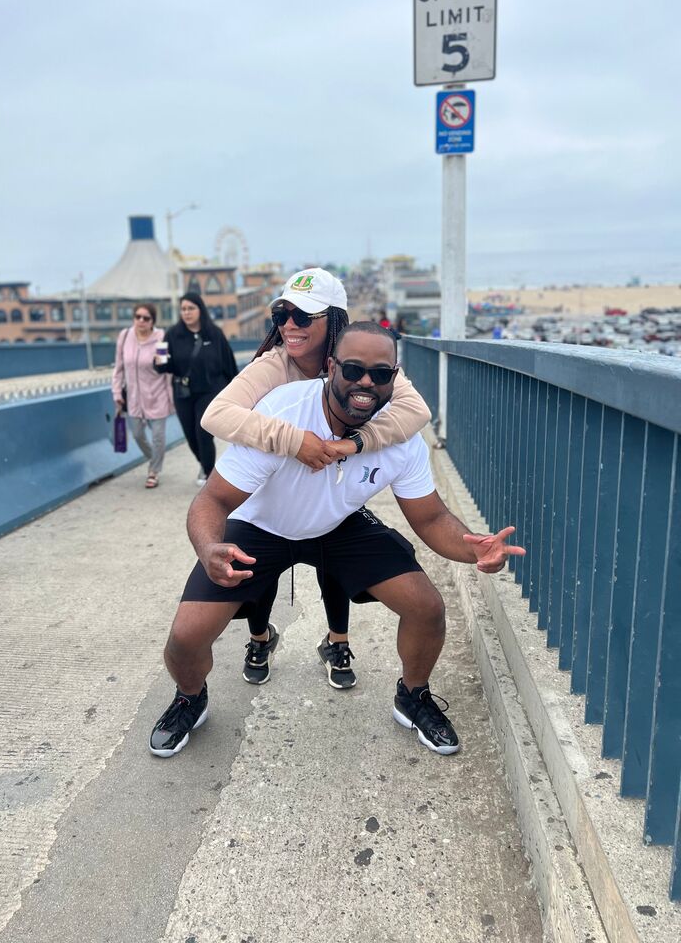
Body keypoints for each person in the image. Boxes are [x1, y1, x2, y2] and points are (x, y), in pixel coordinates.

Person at [149, 322, 524, 759]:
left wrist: (472, 547)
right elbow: (211, 501)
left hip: (338, 525)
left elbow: (432, 516)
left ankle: (413, 696)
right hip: (262, 525)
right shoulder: (281, 414)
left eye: (381, 374)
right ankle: (190, 699)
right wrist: (208, 548)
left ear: (394, 378)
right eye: (353, 369)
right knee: (185, 638)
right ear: (330, 367)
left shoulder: (399, 437)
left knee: (427, 607)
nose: (366, 381)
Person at [201, 268, 432, 690]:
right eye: (282, 314)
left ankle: (337, 640)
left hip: (331, 488)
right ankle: (259, 637)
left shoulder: (361, 364)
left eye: (304, 316)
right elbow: (215, 415)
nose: (290, 324)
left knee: (334, 557)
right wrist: (294, 440)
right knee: (257, 566)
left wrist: (356, 443)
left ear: (335, 321)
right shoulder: (273, 367)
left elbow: (415, 411)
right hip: (271, 489)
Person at [155, 292, 238, 487]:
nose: (187, 312)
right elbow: (163, 366)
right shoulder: (172, 334)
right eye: (183, 309)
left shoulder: (214, 334)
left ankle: (210, 476)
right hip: (183, 392)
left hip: (210, 390)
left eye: (191, 308)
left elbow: (229, 364)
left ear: (200, 310)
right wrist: (158, 361)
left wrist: (236, 392)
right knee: (191, 436)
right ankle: (205, 464)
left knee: (203, 432)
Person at [112, 302, 174, 489]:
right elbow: (119, 368)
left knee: (157, 437)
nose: (141, 321)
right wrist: (117, 392)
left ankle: (153, 471)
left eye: (146, 318)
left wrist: (171, 396)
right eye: (137, 317)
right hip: (133, 399)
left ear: (152, 321)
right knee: (138, 435)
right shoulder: (124, 337)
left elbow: (165, 369)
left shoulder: (161, 338)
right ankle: (154, 459)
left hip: (157, 395)